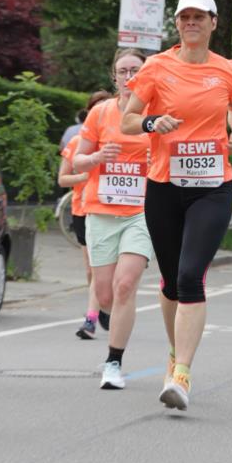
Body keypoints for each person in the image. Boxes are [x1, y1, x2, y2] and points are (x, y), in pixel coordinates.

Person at [121, 0, 232, 412]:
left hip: (212, 186)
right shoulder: (157, 67)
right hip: (164, 186)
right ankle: (176, 354)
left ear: (214, 22)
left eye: (199, 16)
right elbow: (129, 119)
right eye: (183, 17)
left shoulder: (228, 71)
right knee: (173, 280)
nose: (190, 22)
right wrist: (154, 121)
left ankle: (182, 375)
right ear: (176, 24)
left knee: (193, 275)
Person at [74, 50, 152, 390]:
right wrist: (95, 157)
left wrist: (158, 153)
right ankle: (106, 315)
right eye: (123, 71)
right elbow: (76, 161)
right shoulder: (99, 113)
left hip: (142, 212)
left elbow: (175, 157)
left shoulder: (156, 114)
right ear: (114, 77)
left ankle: (113, 362)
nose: (129, 75)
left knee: (125, 285)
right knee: (104, 294)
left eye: (136, 70)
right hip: (102, 211)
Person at [57, 90, 112, 339]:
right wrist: (83, 175)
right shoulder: (77, 143)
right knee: (92, 270)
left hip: (114, 210)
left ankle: (91, 319)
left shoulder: (123, 139)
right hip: (83, 208)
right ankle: (102, 305)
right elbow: (62, 179)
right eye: (95, 108)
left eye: (105, 107)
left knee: (107, 270)